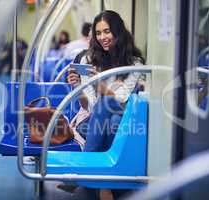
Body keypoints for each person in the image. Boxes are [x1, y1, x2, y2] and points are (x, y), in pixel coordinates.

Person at [65, 10, 145, 200]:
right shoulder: (88, 60)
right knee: (111, 120)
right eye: (98, 33)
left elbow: (123, 99)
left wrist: (101, 87)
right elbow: (90, 106)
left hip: (122, 116)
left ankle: (86, 170)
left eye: (107, 31)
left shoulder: (134, 63)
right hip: (95, 120)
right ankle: (106, 184)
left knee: (113, 110)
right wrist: (77, 86)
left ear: (118, 31)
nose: (102, 37)